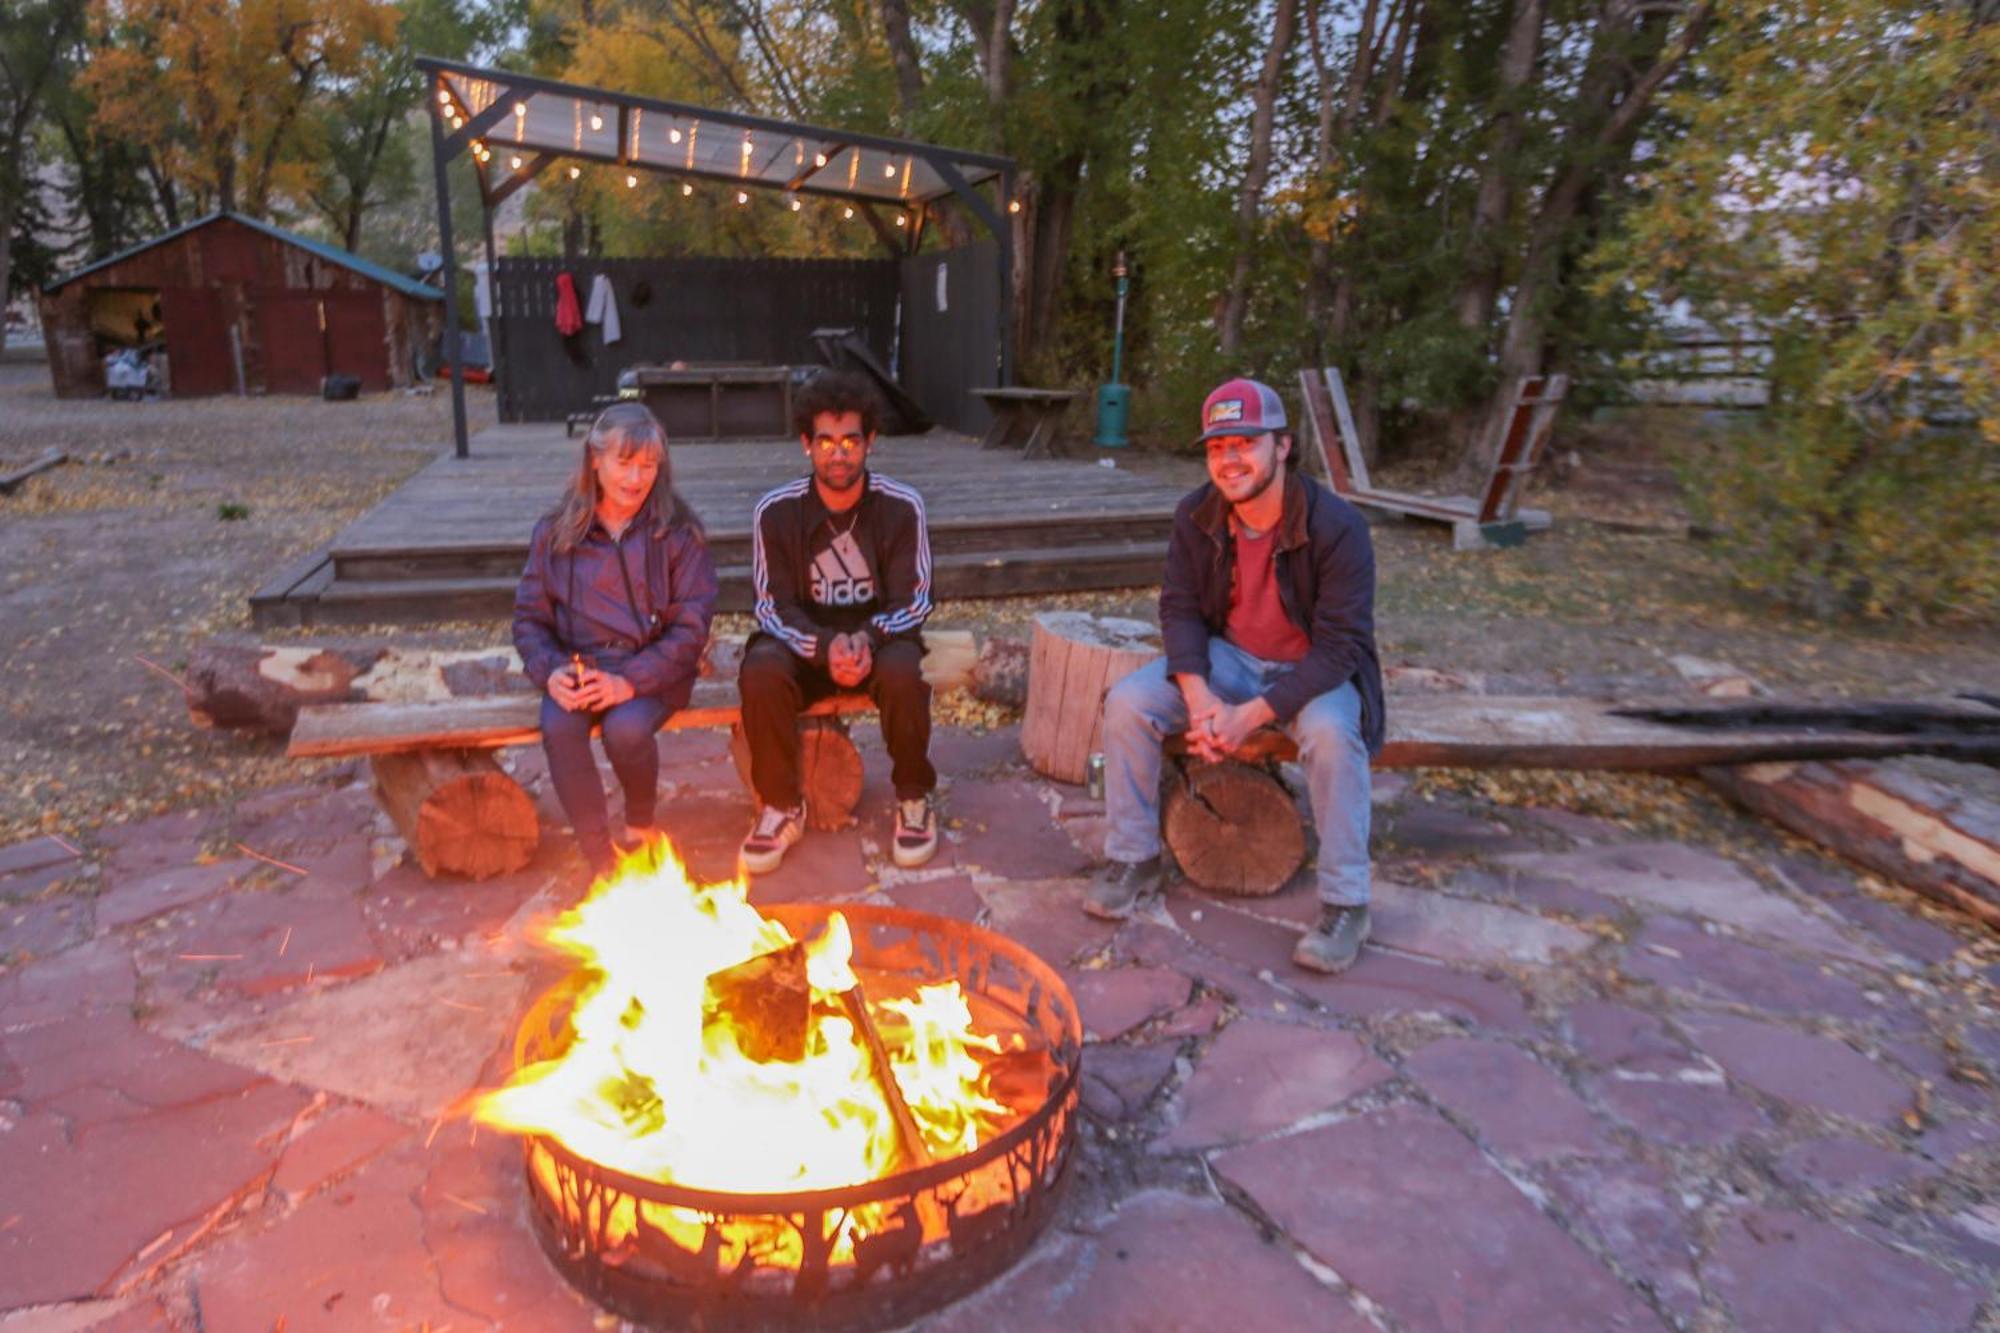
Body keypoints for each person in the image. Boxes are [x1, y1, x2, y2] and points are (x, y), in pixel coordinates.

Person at [1085, 377, 1385, 974]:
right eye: (1218, 446)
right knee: (1127, 703)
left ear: (1283, 446)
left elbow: (1341, 647)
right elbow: (1179, 610)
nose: (1230, 459)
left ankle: (1347, 902)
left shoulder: (1336, 526)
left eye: (1246, 442)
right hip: (1232, 658)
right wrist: (1199, 701)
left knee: (1329, 736)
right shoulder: (1197, 515)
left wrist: (1248, 716)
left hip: (1314, 672)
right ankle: (1134, 857)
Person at [737, 370, 939, 874]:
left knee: (904, 672)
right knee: (760, 667)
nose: (838, 453)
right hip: (805, 646)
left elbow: (914, 601)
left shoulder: (900, 506)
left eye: (851, 439)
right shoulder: (776, 512)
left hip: (880, 641)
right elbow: (771, 606)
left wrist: (865, 639)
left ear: (870, 441)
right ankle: (780, 806)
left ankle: (914, 798)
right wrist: (825, 646)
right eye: (825, 440)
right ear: (806, 444)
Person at [512, 403, 719, 879]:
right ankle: (598, 856)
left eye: (648, 465)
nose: (636, 477)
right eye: (624, 463)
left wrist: (629, 681)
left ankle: (640, 822)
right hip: (580, 664)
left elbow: (692, 626)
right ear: (595, 461)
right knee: (561, 726)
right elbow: (528, 619)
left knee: (626, 729)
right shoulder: (556, 533)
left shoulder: (678, 532)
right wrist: (551, 671)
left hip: (654, 666)